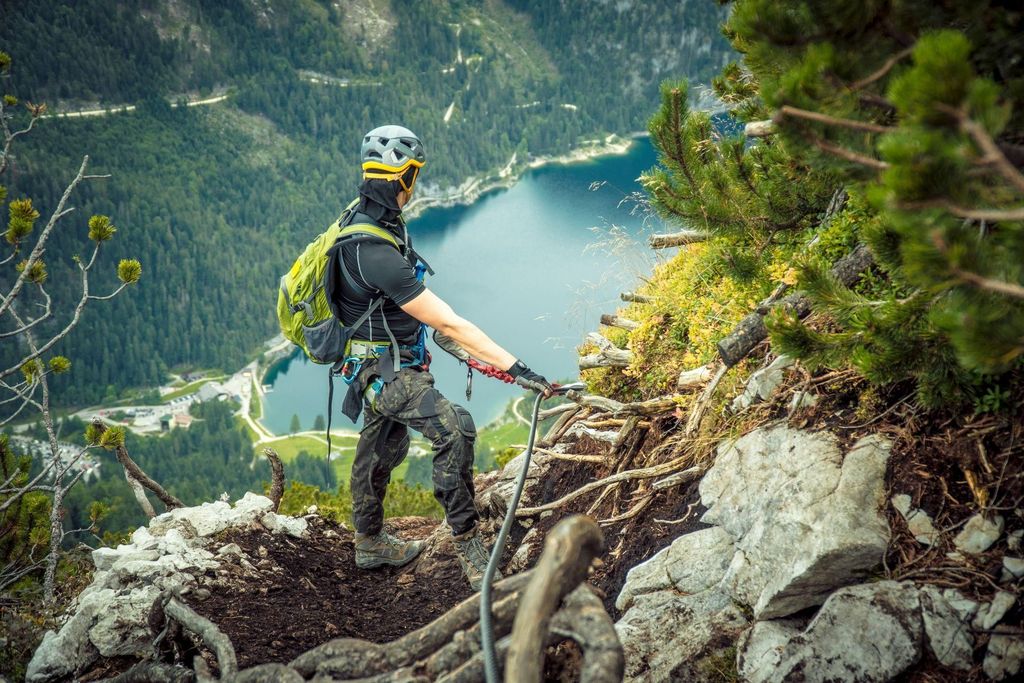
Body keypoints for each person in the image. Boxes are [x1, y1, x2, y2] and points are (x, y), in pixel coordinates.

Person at [332, 124, 552, 590]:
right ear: (403, 178)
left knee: (379, 449)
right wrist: (519, 369)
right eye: (414, 174)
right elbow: (449, 322)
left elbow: (403, 312)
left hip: (370, 366)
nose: (416, 184)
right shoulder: (376, 249)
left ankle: (368, 541)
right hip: (387, 373)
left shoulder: (368, 221)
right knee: (456, 427)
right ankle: (469, 546)